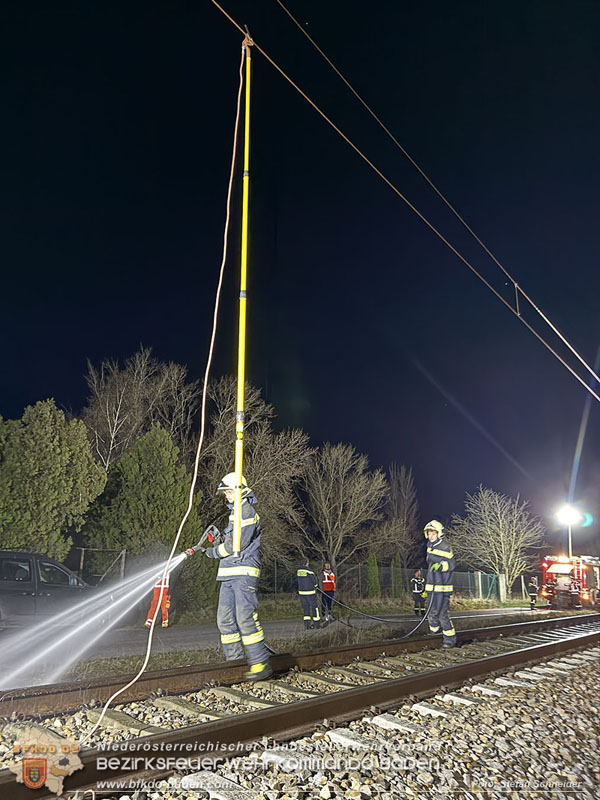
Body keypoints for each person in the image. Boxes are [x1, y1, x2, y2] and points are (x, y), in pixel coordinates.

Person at [190, 473, 271, 681]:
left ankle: (260, 663)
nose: (225, 495)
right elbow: (231, 541)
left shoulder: (246, 512)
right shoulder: (235, 514)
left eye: (228, 491)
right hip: (227, 575)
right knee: (225, 621)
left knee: (245, 618)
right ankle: (234, 662)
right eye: (225, 492)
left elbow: (237, 546)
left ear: (239, 490)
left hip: (243, 574)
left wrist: (212, 551)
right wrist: (219, 543)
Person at [424, 520, 456, 648]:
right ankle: (434, 636)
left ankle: (450, 641)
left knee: (442, 614)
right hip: (432, 587)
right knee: (431, 612)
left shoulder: (445, 547)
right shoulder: (429, 546)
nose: (431, 536)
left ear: (439, 534)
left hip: (443, 589)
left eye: (433, 533)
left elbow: (451, 564)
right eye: (429, 533)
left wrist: (441, 565)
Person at [297, 559, 321, 629]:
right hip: (310, 592)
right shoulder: (310, 572)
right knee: (314, 608)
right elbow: (314, 581)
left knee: (306, 609)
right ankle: (317, 624)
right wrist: (316, 587)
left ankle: (307, 625)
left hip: (302, 593)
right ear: (307, 563)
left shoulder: (298, 571)